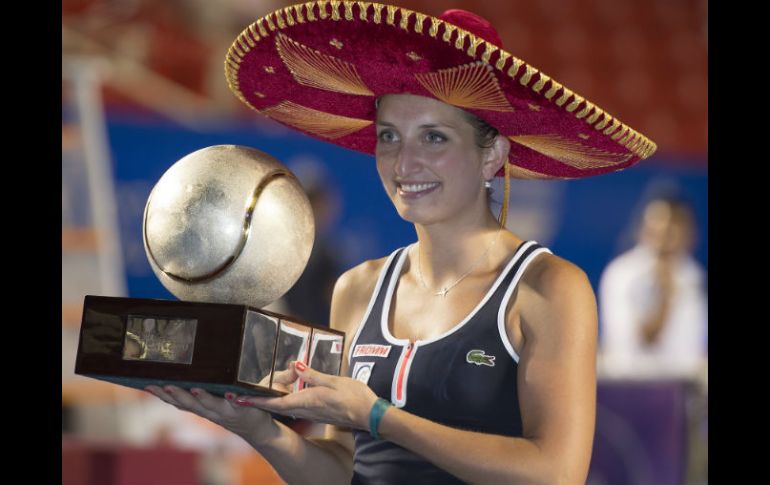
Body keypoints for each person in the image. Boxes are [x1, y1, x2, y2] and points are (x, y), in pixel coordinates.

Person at [146, 3, 656, 484]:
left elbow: (556, 473)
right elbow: (344, 470)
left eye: (434, 137)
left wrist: (378, 416)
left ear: (492, 155)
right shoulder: (358, 288)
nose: (404, 163)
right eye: (389, 136)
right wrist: (257, 429)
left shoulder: (548, 287)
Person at [598, 194, 707, 380]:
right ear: (644, 228)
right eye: (660, 226)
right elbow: (634, 347)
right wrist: (665, 297)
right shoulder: (622, 273)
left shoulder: (694, 274)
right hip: (634, 385)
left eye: (676, 225)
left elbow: (692, 347)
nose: (667, 234)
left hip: (686, 386)